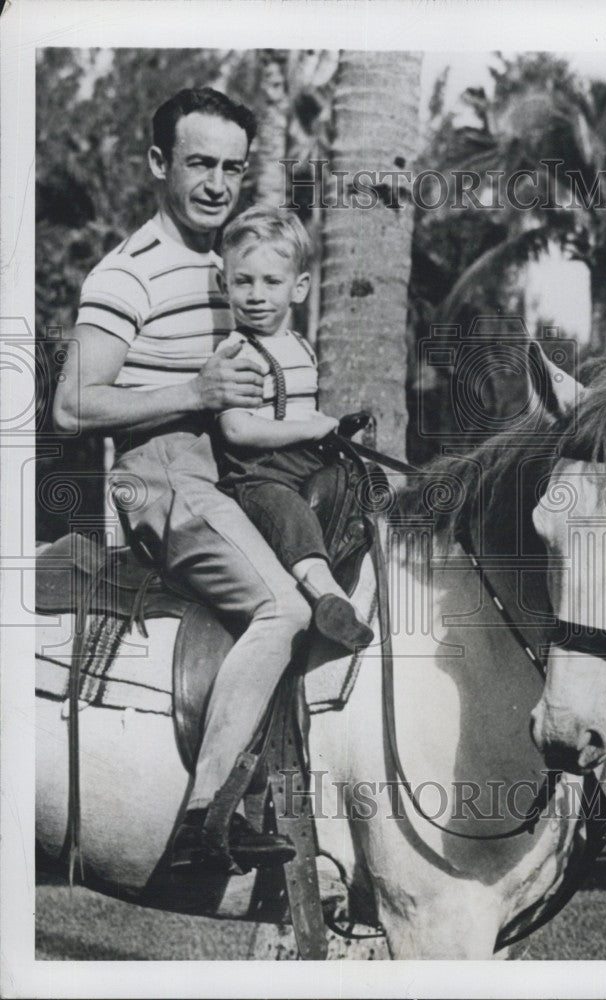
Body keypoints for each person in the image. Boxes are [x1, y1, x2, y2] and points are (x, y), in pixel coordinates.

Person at [53, 87, 309, 873]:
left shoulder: (227, 265)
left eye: (232, 167)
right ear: (159, 163)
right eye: (200, 163)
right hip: (155, 473)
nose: (217, 184)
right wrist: (192, 396)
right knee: (281, 611)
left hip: (219, 471)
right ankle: (206, 819)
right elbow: (70, 405)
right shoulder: (127, 274)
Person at [214, 206, 374, 649]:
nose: (256, 295)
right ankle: (328, 596)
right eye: (243, 281)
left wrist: (332, 431)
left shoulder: (301, 346)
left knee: (353, 483)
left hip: (304, 463)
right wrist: (310, 429)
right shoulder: (235, 351)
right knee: (290, 513)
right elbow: (237, 430)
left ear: (299, 287)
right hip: (258, 474)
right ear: (224, 284)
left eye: (272, 282)